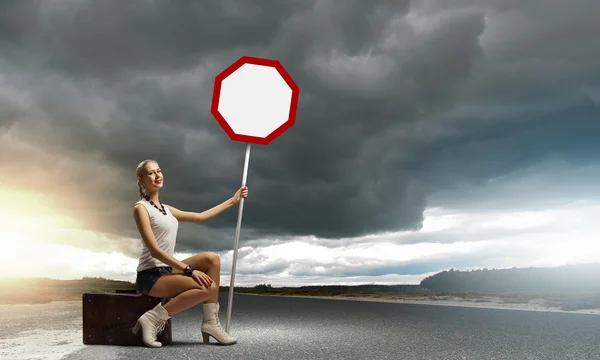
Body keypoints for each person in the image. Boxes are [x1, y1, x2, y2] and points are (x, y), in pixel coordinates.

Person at [131, 159, 248, 348]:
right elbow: (155, 251)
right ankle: (152, 319)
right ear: (141, 179)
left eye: (159, 171)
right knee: (209, 288)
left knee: (212, 258)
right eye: (151, 173)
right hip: (150, 276)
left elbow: (202, 217)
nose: (157, 175)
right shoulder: (141, 208)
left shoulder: (166, 209)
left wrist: (233, 200)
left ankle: (210, 323)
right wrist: (189, 270)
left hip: (167, 271)